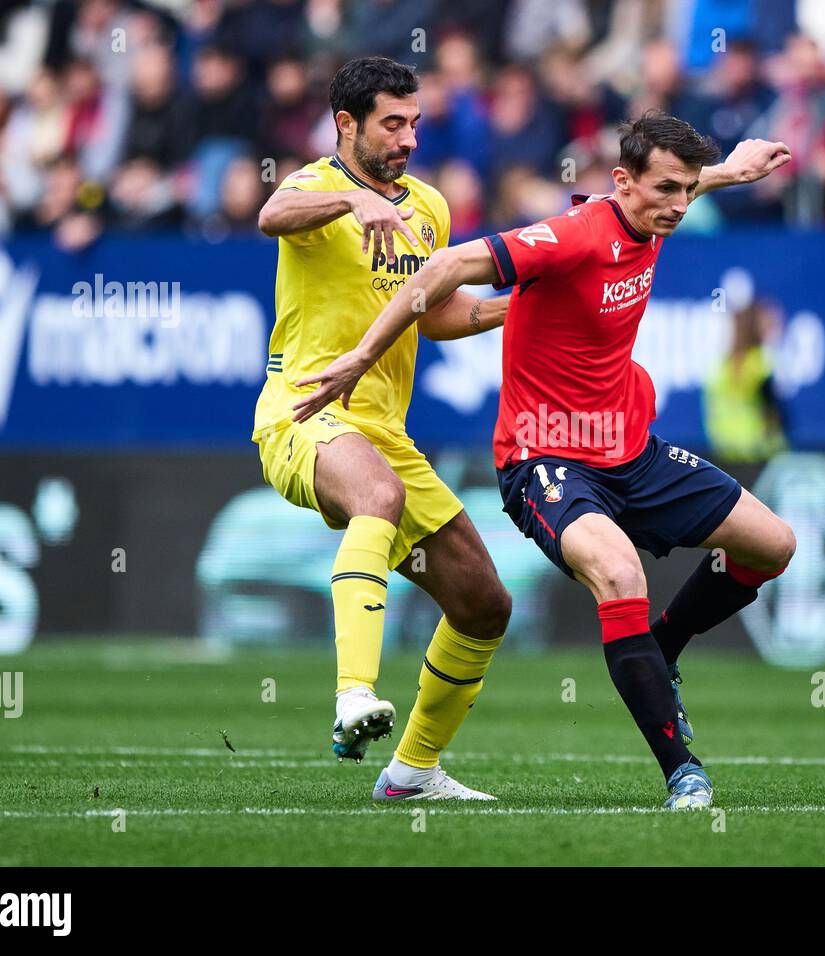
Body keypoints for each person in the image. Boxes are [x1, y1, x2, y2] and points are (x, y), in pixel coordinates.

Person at [294, 112, 797, 809]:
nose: (679, 205)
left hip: (632, 450)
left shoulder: (656, 211)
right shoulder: (571, 235)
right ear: (621, 183)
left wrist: (731, 171)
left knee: (774, 545)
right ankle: (684, 771)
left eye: (687, 191)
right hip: (545, 458)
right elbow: (446, 266)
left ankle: (664, 649)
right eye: (666, 191)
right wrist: (362, 354)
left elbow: (678, 187)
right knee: (619, 572)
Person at [254, 56, 512, 801]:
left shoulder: (428, 206)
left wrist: (509, 311)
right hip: (305, 411)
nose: (406, 138)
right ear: (347, 125)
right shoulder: (313, 186)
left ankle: (413, 773)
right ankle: (351, 698)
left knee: (484, 605)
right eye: (391, 124)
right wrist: (348, 205)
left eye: (414, 124)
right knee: (376, 495)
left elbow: (432, 316)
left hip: (385, 431)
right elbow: (272, 216)